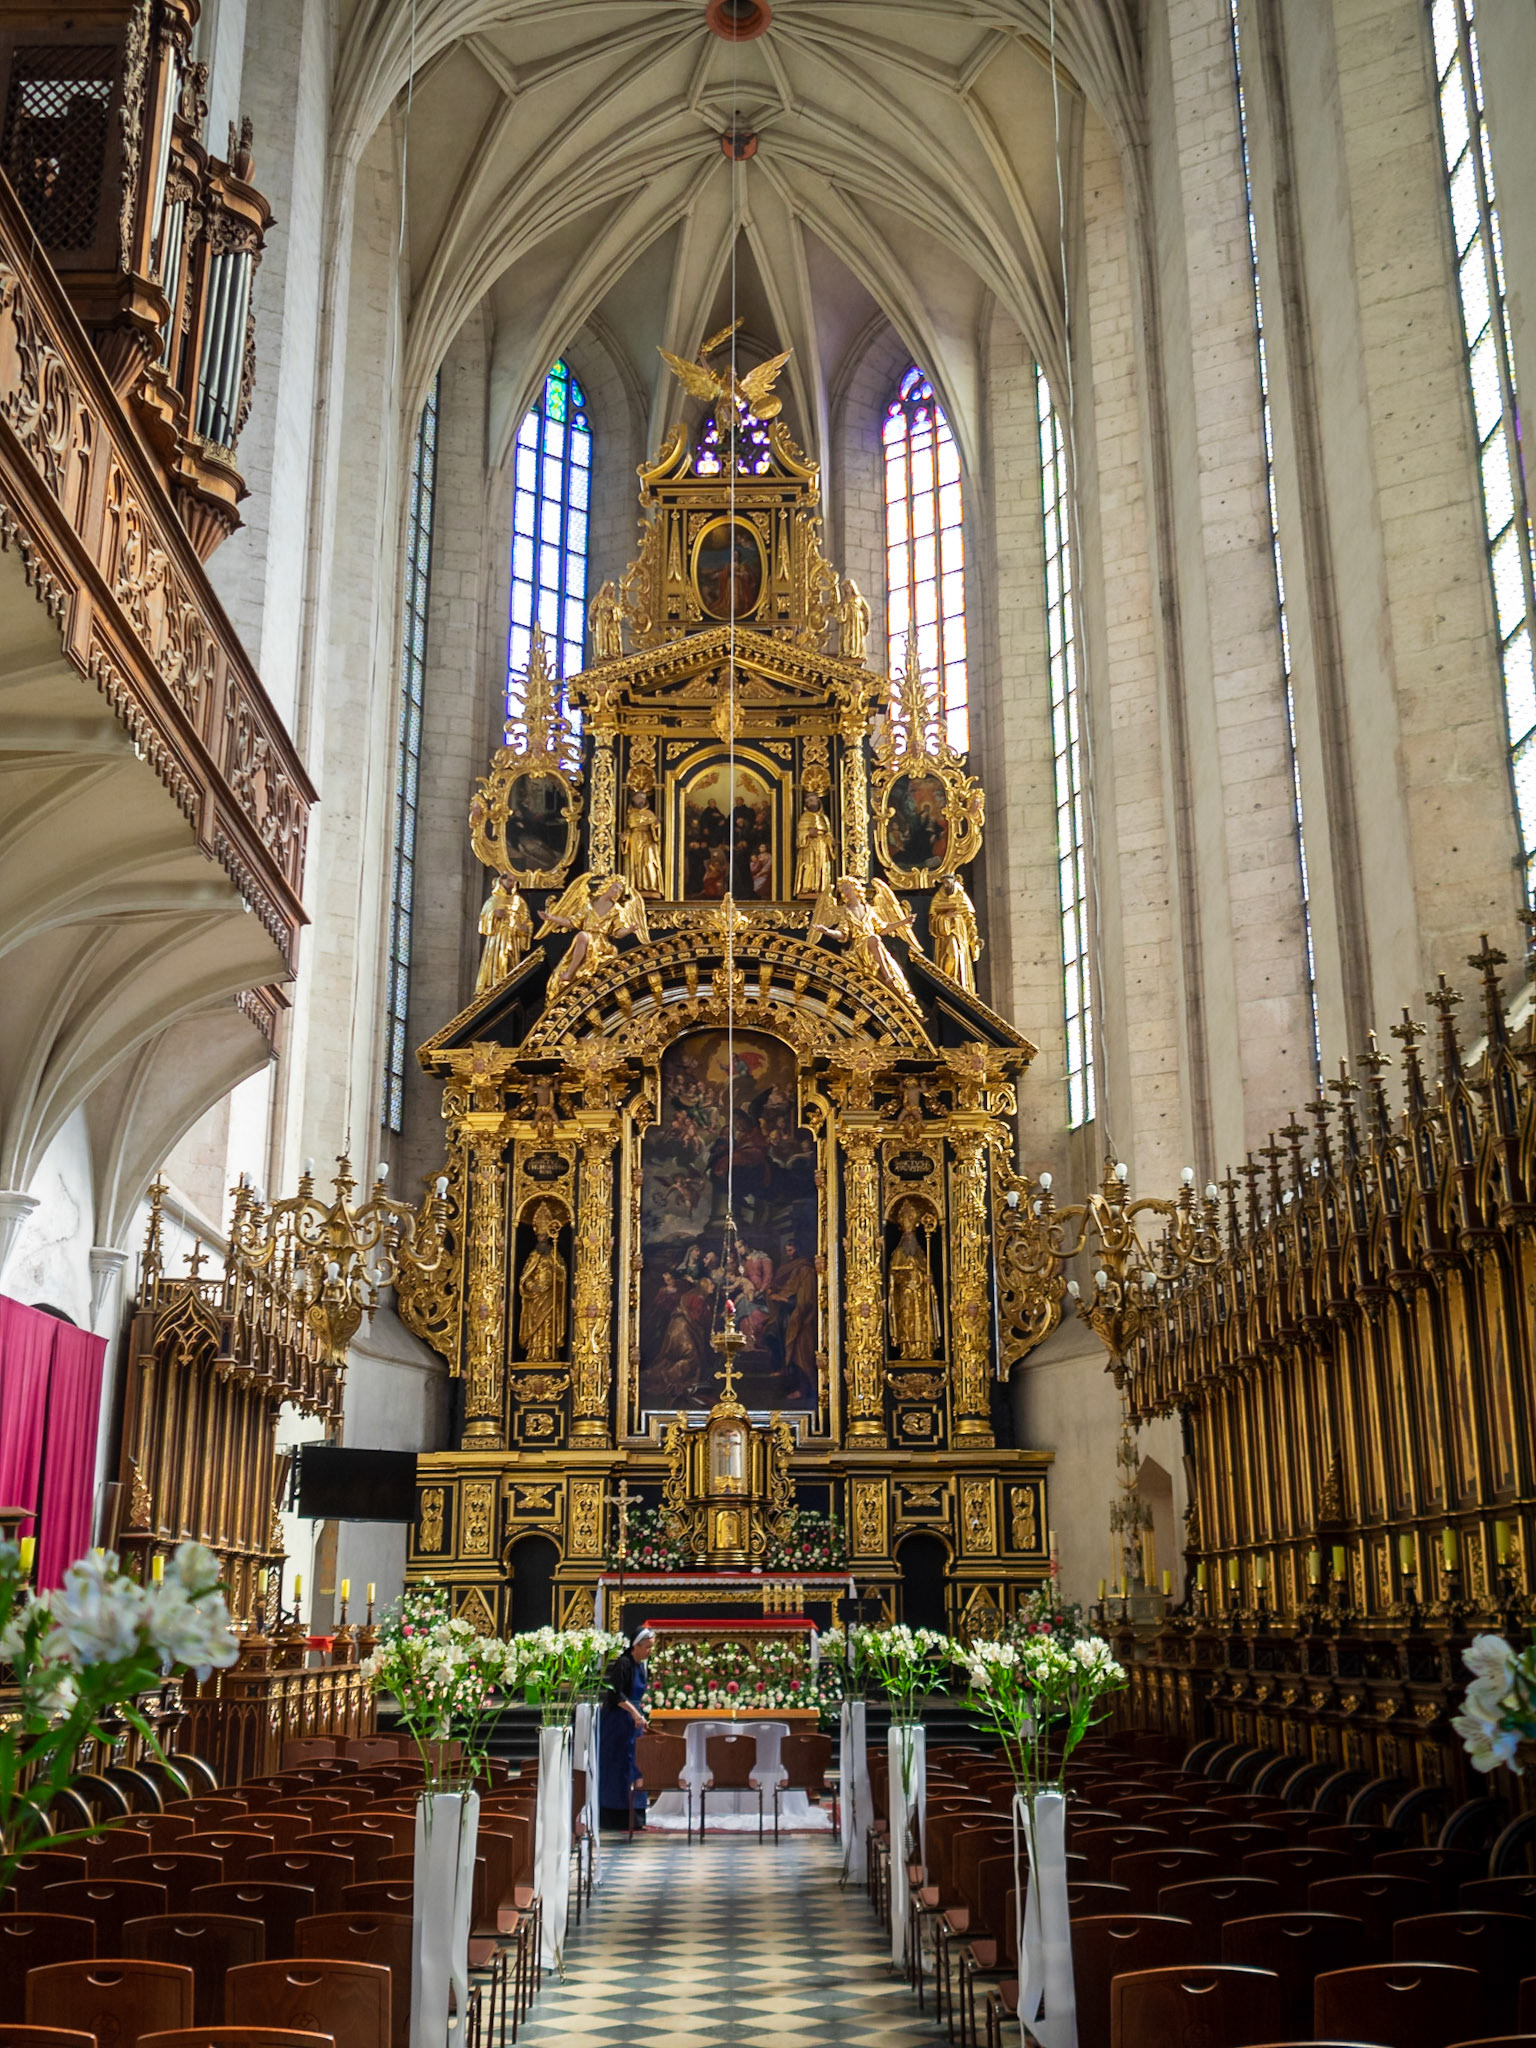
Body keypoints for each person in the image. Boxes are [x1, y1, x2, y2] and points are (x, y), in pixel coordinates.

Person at [598, 1625, 655, 1829]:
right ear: (636, 1646)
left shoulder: (640, 1665)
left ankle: (635, 1817)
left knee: (635, 1766)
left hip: (633, 1721)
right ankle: (615, 1818)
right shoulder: (623, 1664)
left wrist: (640, 1715)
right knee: (617, 1767)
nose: (650, 1651)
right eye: (647, 1647)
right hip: (617, 1723)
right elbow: (616, 1695)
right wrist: (634, 1712)